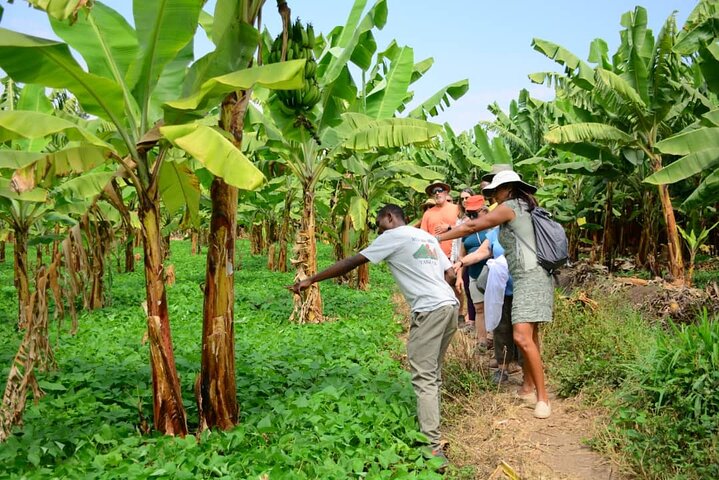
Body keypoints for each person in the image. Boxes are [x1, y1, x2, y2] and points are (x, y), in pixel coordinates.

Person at [288, 204, 459, 461]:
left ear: (390, 218)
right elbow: (450, 273)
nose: (379, 232)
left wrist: (311, 279)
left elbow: (351, 262)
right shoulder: (425, 236)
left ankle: (432, 446)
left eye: (379, 226)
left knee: (424, 376)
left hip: (430, 309)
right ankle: (430, 420)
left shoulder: (392, 237)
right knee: (432, 371)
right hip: (449, 306)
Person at [437, 170, 554, 419]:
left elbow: (472, 225)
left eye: (496, 191)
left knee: (522, 338)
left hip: (530, 279)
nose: (493, 197)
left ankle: (543, 399)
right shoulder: (523, 207)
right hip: (532, 277)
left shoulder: (510, 206)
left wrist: (438, 238)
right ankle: (529, 388)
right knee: (531, 339)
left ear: (509, 188)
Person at [453, 195, 491, 345]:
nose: (472, 216)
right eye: (469, 213)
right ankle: (482, 341)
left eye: (475, 213)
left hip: (489, 271)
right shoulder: (467, 230)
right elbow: (461, 255)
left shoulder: (492, 227)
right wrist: (459, 277)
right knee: (479, 307)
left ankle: (492, 338)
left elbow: (484, 252)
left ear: (484, 210)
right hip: (473, 272)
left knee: (493, 306)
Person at [455, 188, 476, 330]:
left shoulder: (475, 217)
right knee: (466, 288)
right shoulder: (460, 218)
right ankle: (470, 319)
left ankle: (472, 319)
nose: (464, 201)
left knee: (473, 289)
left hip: (472, 256)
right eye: (462, 198)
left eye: (467, 197)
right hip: (460, 256)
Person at [420, 181, 459, 259]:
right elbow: (422, 236)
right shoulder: (427, 214)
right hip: (434, 257)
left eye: (439, 190)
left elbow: (466, 228)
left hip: (454, 255)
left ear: (445, 192)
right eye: (434, 192)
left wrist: (449, 227)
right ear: (432, 195)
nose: (437, 193)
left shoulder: (457, 209)